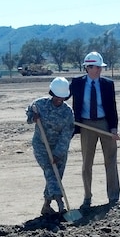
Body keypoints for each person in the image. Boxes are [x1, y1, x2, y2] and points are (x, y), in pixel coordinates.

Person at [69, 52, 120, 208]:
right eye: (97, 67)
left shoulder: (107, 84)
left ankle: (113, 197)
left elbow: (112, 108)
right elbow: (62, 97)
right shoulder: (77, 83)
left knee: (111, 161)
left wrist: (113, 128)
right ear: (88, 68)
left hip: (105, 124)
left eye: (100, 67)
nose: (99, 70)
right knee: (87, 163)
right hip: (86, 126)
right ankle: (87, 197)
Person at [26, 77, 75, 216]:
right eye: (56, 96)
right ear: (51, 93)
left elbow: (67, 134)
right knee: (49, 172)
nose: (59, 100)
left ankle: (46, 206)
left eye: (62, 97)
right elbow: (29, 114)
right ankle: (61, 203)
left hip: (59, 147)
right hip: (41, 145)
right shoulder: (40, 104)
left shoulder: (67, 112)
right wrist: (32, 117)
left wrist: (58, 154)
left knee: (57, 176)